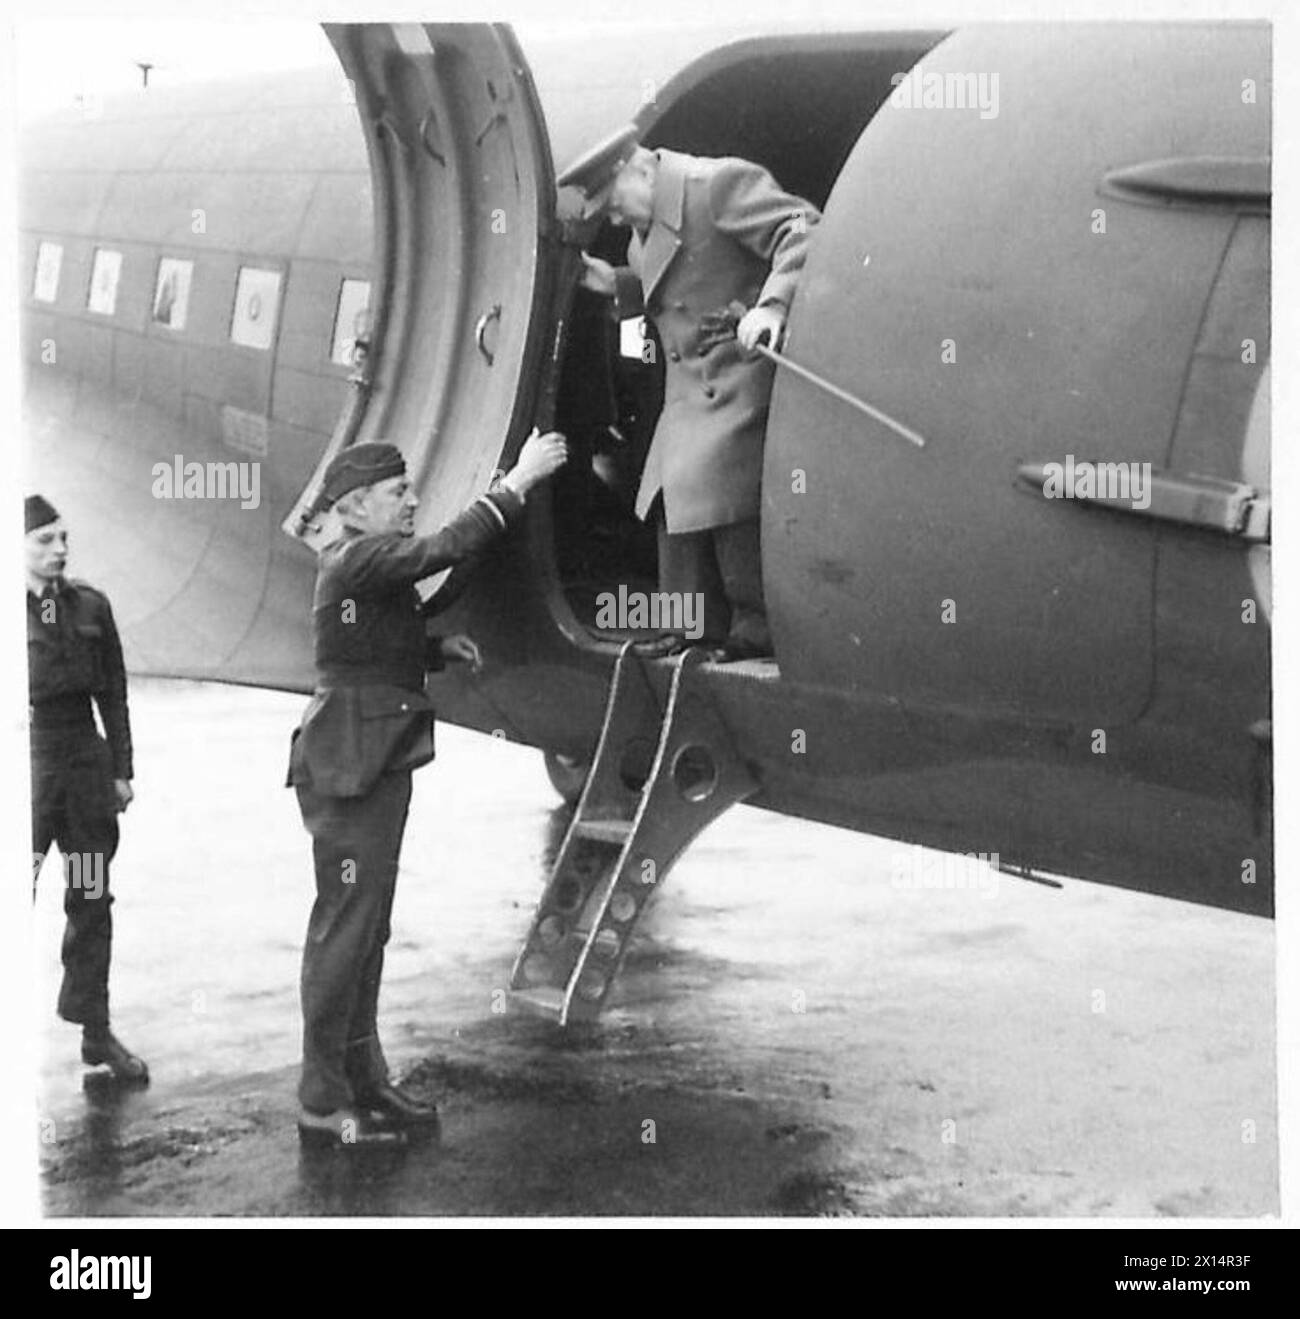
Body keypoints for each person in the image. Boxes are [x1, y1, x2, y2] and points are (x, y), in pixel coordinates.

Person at [287, 430, 566, 1148]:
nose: (410, 500)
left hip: (370, 755)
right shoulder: (360, 555)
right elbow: (440, 550)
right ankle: (322, 1098)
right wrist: (518, 484)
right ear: (353, 506)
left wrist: (433, 649)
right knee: (346, 928)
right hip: (352, 760)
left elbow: (363, 645)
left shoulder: (360, 564)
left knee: (367, 925)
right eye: (396, 493)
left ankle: (364, 1076)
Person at [563, 127, 821, 660]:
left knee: (724, 498)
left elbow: (802, 229)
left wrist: (772, 306)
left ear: (638, 170)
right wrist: (615, 284)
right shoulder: (644, 228)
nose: (612, 219)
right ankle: (689, 627)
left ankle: (756, 633)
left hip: (741, 373)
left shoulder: (717, 186)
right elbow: (672, 292)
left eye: (612, 204)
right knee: (666, 503)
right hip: (690, 389)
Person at [26, 494, 148, 1083]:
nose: (59, 551)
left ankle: (96, 1033)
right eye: (44, 540)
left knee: (91, 898)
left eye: (63, 539)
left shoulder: (91, 606)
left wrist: (121, 771)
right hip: (26, 768)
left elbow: (114, 695)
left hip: (83, 771)